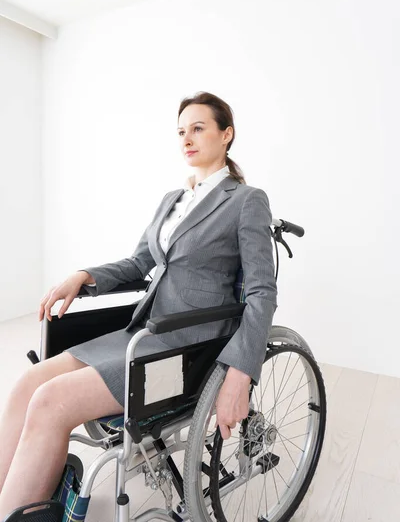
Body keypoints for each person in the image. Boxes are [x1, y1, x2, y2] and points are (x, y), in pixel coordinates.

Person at [0, 91, 277, 519]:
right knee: (26, 387)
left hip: (186, 349)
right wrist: (84, 276)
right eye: (181, 131)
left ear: (227, 135)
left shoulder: (245, 200)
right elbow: (139, 263)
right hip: (142, 333)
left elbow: (261, 292)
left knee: (50, 401)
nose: (187, 138)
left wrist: (240, 374)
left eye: (198, 128)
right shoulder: (173, 200)